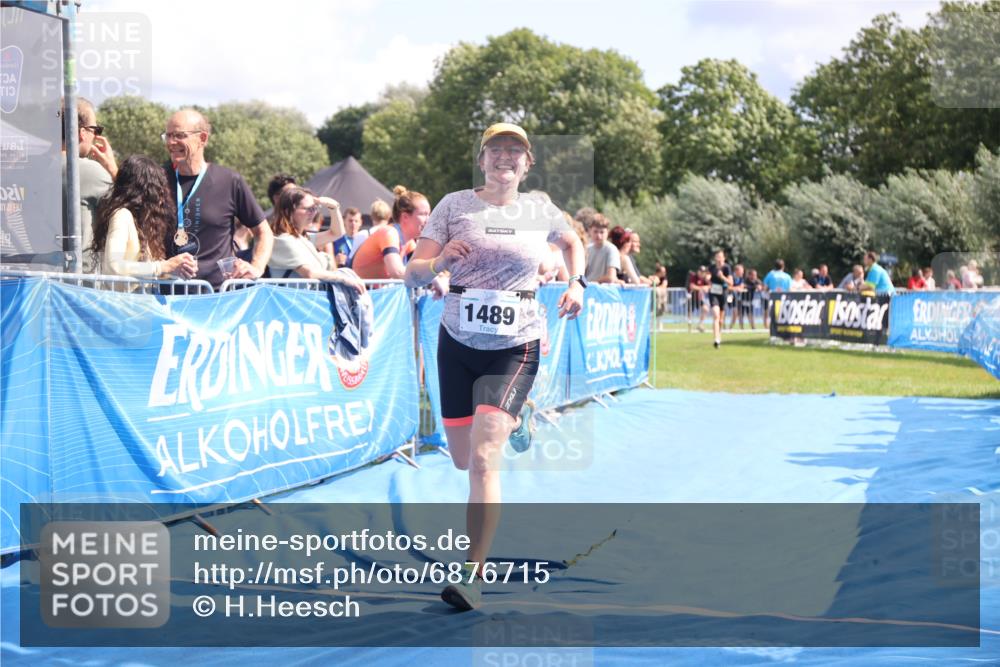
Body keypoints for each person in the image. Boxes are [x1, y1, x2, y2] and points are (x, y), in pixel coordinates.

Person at [403, 122, 585, 612]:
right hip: (458, 341)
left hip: (516, 343)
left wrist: (577, 283)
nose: (506, 157)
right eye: (496, 149)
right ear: (482, 160)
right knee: (461, 458)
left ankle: (472, 574)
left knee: (484, 460)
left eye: (516, 151)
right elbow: (412, 273)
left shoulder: (540, 209)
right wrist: (439, 260)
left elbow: (572, 243)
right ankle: (515, 415)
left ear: (527, 164)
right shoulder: (452, 206)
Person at [162, 108, 273, 289]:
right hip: (167, 296)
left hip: (217, 298)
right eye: (168, 136)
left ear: (202, 139)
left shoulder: (229, 181)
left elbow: (263, 231)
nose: (171, 142)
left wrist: (257, 267)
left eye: (180, 135)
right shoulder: (158, 180)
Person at [89, 155, 197, 281]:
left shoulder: (140, 222)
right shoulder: (122, 215)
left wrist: (174, 269)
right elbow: (114, 266)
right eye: (158, 189)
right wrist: (163, 267)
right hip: (122, 300)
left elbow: (143, 273)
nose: (162, 198)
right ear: (147, 191)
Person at [266, 187, 364, 292]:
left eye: (315, 208)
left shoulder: (303, 238)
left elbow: (337, 233)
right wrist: (344, 279)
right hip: (292, 304)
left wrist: (334, 208)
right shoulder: (282, 240)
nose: (313, 213)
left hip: (304, 302)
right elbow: (309, 273)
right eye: (308, 209)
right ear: (289, 211)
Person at [63, 97, 118, 272]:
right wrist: (112, 167)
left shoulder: (31, 168)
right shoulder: (91, 171)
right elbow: (132, 205)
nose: (96, 136)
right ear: (82, 132)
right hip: (78, 280)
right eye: (96, 130)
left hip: (33, 280)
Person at [351, 186, 430, 280]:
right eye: (423, 214)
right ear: (405, 217)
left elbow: (422, 266)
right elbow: (397, 271)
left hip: (376, 292)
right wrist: (432, 280)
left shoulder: (409, 242)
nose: (428, 220)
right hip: (362, 292)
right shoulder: (389, 233)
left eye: (429, 214)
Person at [584, 214, 621, 284]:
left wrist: (591, 283)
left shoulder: (611, 249)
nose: (598, 235)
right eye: (595, 231)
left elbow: (611, 277)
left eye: (602, 232)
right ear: (589, 231)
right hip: (588, 289)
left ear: (607, 232)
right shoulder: (587, 249)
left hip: (603, 291)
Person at [708, 250, 733, 347]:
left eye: (720, 256)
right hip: (713, 293)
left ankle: (719, 335)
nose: (718, 259)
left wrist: (722, 277)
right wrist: (707, 278)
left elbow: (731, 282)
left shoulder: (727, 268)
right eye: (717, 257)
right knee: (715, 315)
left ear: (723, 258)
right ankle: (716, 339)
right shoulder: (711, 267)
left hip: (723, 293)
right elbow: (707, 277)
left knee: (721, 320)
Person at [762, 259, 792, 327]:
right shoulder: (787, 276)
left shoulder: (770, 275)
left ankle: (768, 327)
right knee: (782, 314)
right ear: (783, 266)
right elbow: (790, 289)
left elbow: (765, 287)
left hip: (772, 297)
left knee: (771, 313)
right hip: (783, 298)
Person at [687, 266, 710, 332]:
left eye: (703, 272)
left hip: (699, 299)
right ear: (698, 271)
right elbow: (692, 286)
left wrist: (706, 287)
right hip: (692, 297)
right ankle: (689, 328)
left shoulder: (705, 279)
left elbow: (709, 286)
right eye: (701, 271)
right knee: (690, 312)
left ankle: (700, 324)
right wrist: (701, 288)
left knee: (706, 309)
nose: (702, 273)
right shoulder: (694, 277)